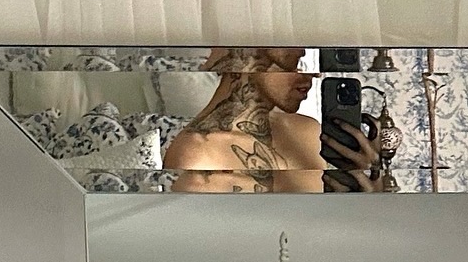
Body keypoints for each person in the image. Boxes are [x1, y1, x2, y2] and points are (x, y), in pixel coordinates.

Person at [163, 47, 383, 194]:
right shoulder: (198, 157)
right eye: (294, 63)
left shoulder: (309, 129)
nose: (314, 76)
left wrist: (370, 189)